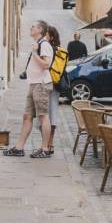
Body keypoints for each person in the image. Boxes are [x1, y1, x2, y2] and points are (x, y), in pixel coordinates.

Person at [4, 21, 54, 159]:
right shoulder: (38, 44)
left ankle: (45, 148)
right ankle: (19, 148)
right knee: (27, 116)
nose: (30, 28)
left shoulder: (44, 45)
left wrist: (34, 53)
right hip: (33, 84)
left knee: (43, 116)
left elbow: (46, 65)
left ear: (39, 29)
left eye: (33, 26)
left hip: (41, 85)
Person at [44, 26, 62, 155]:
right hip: (56, 85)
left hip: (47, 83)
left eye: (46, 35)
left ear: (51, 37)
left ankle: (47, 143)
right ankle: (50, 142)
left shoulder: (46, 49)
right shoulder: (60, 51)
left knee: (44, 114)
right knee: (52, 112)